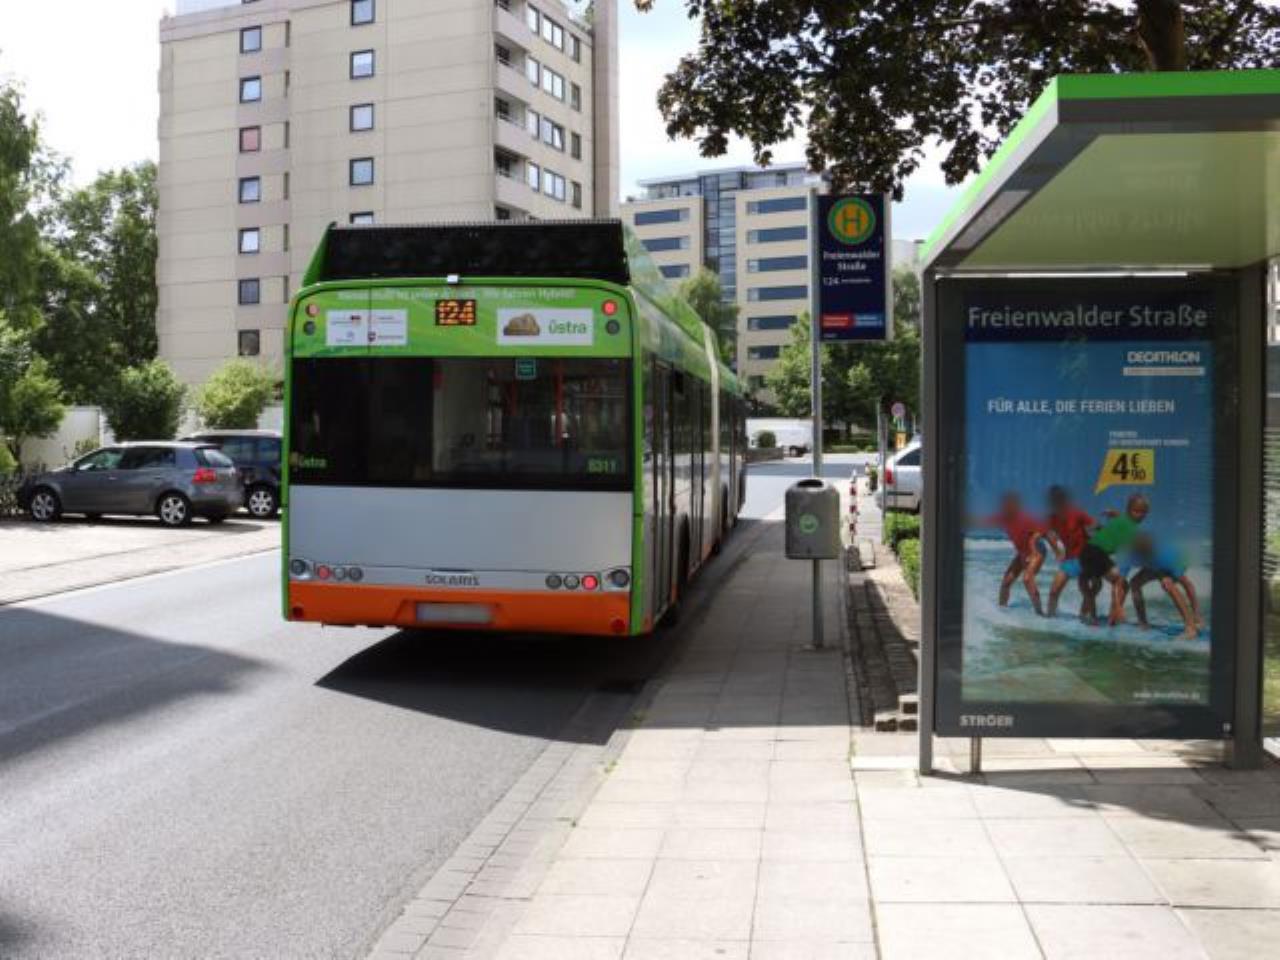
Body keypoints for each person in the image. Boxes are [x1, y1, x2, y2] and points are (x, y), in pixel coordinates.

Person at [1078, 493, 1149, 626]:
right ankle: (1113, 614)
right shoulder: (1133, 530)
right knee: (1120, 583)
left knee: (1096, 586)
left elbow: (1119, 516)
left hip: (1089, 551)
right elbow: (1133, 548)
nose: (1140, 515)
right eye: (1137, 511)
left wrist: (1111, 513)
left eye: (1144, 512)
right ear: (1128, 510)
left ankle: (1086, 614)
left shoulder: (1123, 520)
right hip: (1096, 553)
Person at [985, 492, 1051, 617]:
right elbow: (983, 521)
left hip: (1037, 551)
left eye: (1009, 505)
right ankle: (1001, 611)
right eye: (1004, 506)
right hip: (1022, 553)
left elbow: (1046, 531)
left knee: (1027, 579)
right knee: (1006, 582)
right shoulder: (1003, 517)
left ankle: (1040, 614)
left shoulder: (1025, 519)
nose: (1006, 508)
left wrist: (1057, 551)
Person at [1126, 532, 1203, 640]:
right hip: (1155, 565)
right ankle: (1143, 623)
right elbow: (1121, 576)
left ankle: (1191, 626)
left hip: (1178, 560)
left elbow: (1184, 581)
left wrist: (1170, 577)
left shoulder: (1163, 556)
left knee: (1172, 583)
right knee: (1134, 583)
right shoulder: (1134, 553)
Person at [1044, 486, 1097, 619]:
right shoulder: (1052, 519)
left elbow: (1096, 527)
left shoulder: (1077, 514)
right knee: (1054, 591)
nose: (1056, 504)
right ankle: (1049, 619)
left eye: (1059, 500)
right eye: (1053, 501)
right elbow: (1047, 534)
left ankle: (1083, 617)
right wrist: (1057, 551)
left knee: (1088, 590)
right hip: (1069, 560)